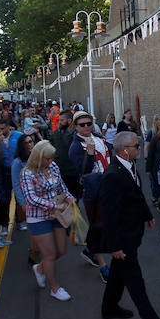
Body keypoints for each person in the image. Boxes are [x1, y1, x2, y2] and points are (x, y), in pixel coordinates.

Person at [100, 131, 160, 319]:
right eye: (136, 146)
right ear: (125, 150)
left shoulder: (129, 167)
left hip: (133, 232)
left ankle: (109, 307)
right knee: (135, 280)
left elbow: (137, 195)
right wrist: (114, 246)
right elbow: (109, 214)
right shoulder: (112, 176)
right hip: (123, 239)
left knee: (117, 273)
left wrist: (147, 214)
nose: (140, 149)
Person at [21, 141, 74, 301]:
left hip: (57, 214)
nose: (50, 162)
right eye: (47, 159)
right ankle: (55, 288)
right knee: (50, 253)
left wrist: (69, 196)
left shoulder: (53, 166)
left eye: (51, 158)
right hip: (38, 217)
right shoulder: (27, 173)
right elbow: (30, 198)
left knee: (61, 250)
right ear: (38, 157)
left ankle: (40, 268)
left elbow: (60, 186)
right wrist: (53, 206)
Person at [68, 110, 110, 283]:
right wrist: (90, 153)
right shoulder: (75, 146)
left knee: (105, 224)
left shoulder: (100, 138)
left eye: (89, 123)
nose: (86, 127)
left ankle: (90, 250)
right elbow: (83, 170)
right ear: (75, 126)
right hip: (93, 190)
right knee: (98, 225)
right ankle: (103, 266)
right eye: (82, 124)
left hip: (108, 186)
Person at [50, 109, 82, 200]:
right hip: (60, 172)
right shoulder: (56, 133)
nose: (59, 122)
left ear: (69, 121)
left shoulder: (78, 134)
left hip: (75, 173)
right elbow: (50, 147)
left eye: (61, 120)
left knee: (75, 198)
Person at [12, 133, 35, 235]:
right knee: (35, 228)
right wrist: (22, 203)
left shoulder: (38, 156)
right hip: (28, 198)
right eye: (25, 143)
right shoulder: (17, 162)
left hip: (42, 196)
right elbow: (16, 184)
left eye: (30, 142)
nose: (29, 145)